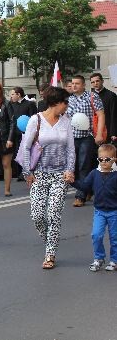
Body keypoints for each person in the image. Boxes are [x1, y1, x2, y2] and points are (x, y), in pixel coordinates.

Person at [22, 86, 75, 269]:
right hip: (39, 175)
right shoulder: (35, 120)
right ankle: (50, 241)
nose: (67, 106)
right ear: (56, 102)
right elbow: (26, 148)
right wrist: (28, 172)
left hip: (60, 175)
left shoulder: (66, 122)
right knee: (37, 216)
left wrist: (70, 170)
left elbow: (70, 149)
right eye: (65, 102)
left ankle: (50, 253)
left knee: (53, 214)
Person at [71, 144, 117, 272]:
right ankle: (99, 258)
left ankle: (114, 260)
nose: (103, 161)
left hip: (114, 212)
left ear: (114, 159)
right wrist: (72, 181)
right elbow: (85, 186)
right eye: (100, 159)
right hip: (100, 211)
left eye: (107, 159)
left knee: (115, 238)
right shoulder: (94, 173)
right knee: (96, 235)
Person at [67, 75, 106, 207]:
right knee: (75, 166)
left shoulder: (92, 96)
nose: (74, 86)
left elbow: (101, 115)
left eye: (77, 83)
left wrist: (99, 134)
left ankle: (80, 197)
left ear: (83, 85)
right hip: (72, 137)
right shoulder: (69, 99)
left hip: (87, 136)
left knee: (84, 165)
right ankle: (87, 189)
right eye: (72, 83)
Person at [10, 87, 38, 180]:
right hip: (15, 133)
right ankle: (18, 172)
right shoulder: (12, 105)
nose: (11, 96)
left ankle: (26, 171)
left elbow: (33, 118)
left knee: (26, 152)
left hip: (26, 133)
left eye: (13, 94)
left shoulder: (29, 104)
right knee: (17, 152)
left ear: (18, 94)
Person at [90, 73, 117, 144]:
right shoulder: (89, 96)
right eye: (93, 82)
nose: (95, 83)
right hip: (92, 131)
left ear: (102, 81)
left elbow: (114, 115)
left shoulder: (111, 95)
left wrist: (113, 133)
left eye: (97, 81)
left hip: (107, 130)